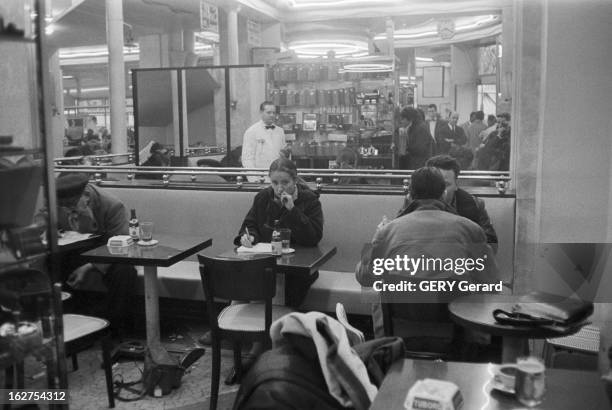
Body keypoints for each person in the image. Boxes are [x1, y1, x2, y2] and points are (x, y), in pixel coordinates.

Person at [356, 167, 498, 343]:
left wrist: (375, 238)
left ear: (409, 194)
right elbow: (491, 283)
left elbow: (364, 278)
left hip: (398, 336)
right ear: (443, 193)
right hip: (458, 337)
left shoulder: (388, 231)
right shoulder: (471, 229)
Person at [51, 173, 137, 338]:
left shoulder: (112, 205)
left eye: (70, 204)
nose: (67, 208)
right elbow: (43, 218)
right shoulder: (58, 203)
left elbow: (122, 242)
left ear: (86, 196)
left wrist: (90, 266)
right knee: (53, 262)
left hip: (107, 250)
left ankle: (116, 330)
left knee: (125, 271)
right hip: (75, 249)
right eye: (63, 205)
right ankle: (69, 326)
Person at [398, 155, 498, 252]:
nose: (440, 190)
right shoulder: (412, 201)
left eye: (445, 185)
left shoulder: (474, 204)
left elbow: (491, 245)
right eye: (434, 184)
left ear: (456, 184)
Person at [241, 101, 287, 182]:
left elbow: (283, 155)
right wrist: (254, 179)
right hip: (260, 177)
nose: (272, 115)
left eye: (274, 113)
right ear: (261, 113)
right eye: (268, 112)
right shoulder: (251, 131)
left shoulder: (280, 131)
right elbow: (247, 159)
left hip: (278, 177)